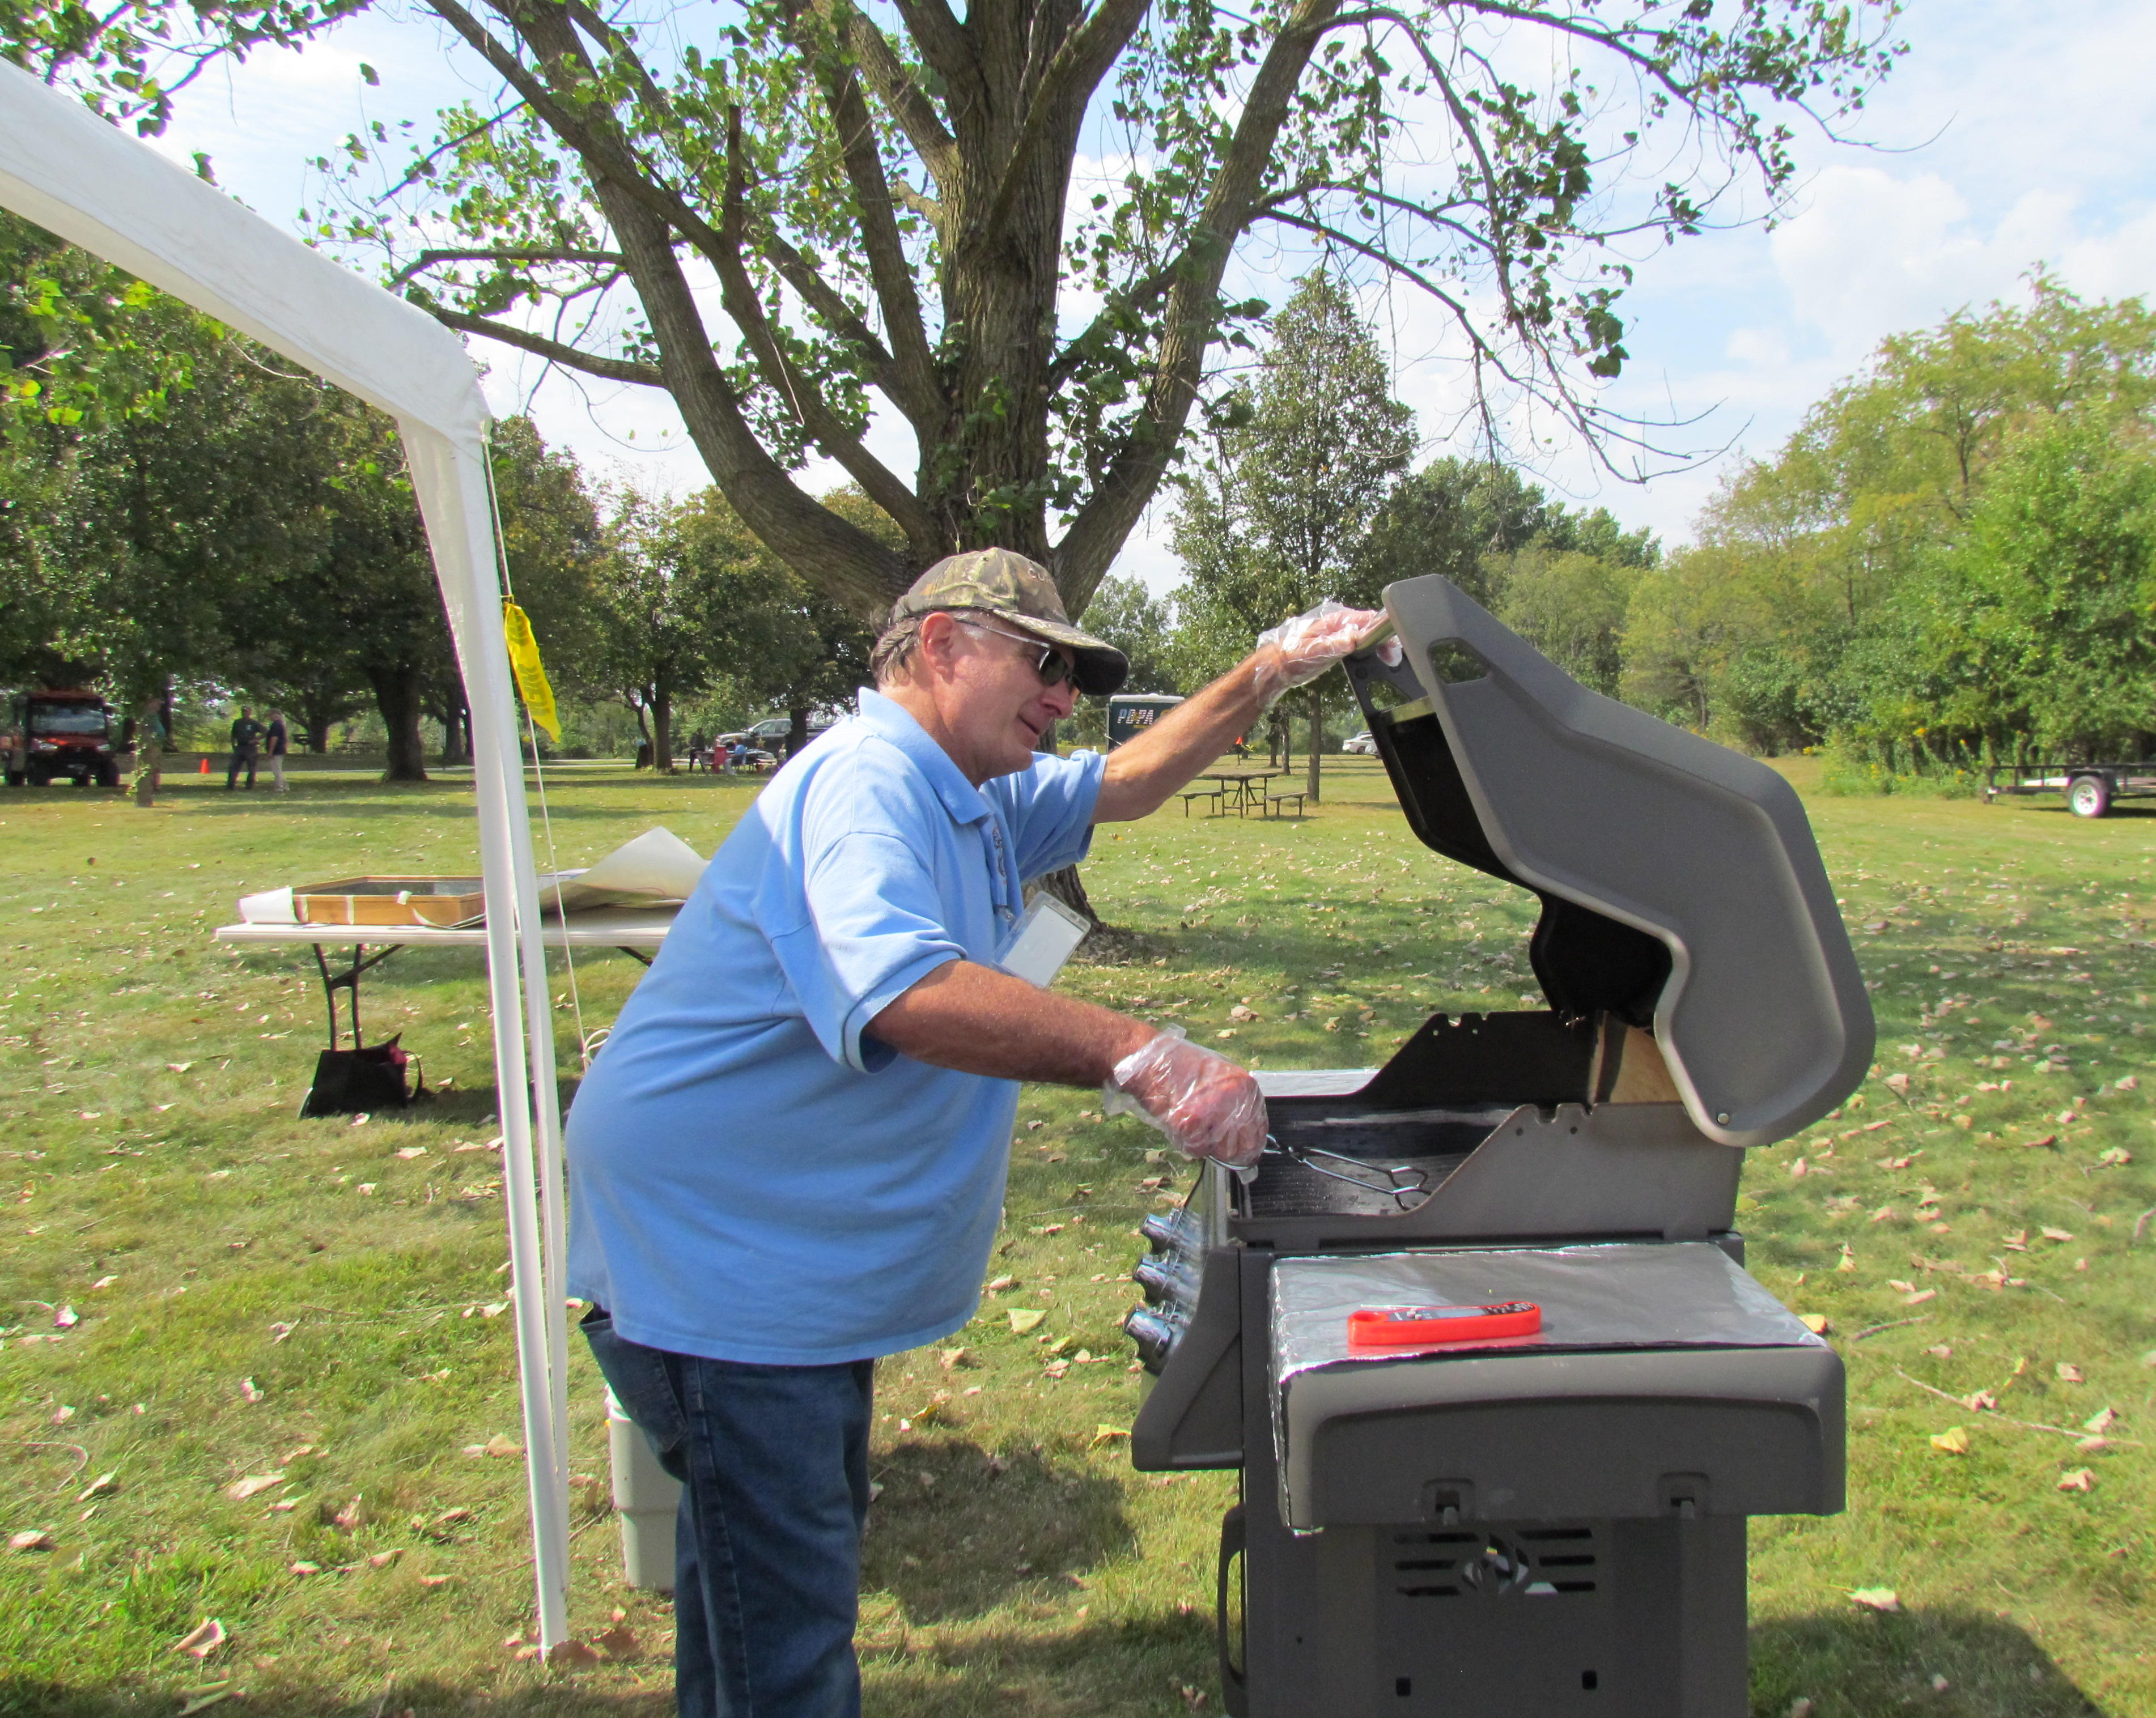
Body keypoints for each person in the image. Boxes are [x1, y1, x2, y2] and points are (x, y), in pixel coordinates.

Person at [567, 547, 1380, 1718]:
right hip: (719, 1257)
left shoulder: (979, 786)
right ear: (943, 646)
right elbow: (907, 992)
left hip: (775, 1253)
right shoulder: (868, 782)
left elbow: (1137, 776)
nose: (1062, 695)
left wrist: (1269, 669)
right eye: (1042, 663)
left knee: (753, 1600)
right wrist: (1136, 1052)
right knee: (787, 1645)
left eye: (1073, 675)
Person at [131, 697, 166, 809]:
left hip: (157, 744)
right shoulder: (147, 716)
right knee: (151, 766)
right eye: (157, 703)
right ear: (150, 704)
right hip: (151, 745)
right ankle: (149, 788)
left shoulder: (155, 716)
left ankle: (156, 786)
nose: (159, 706)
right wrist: (149, 741)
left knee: (157, 766)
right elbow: (145, 730)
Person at [226, 707, 262, 790]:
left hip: (251, 748)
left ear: (250, 713)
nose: (245, 713)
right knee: (234, 766)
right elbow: (233, 735)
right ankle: (231, 785)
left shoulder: (253, 723)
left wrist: (256, 740)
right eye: (244, 712)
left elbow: (266, 732)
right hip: (240, 747)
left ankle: (249, 786)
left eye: (247, 712)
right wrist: (233, 746)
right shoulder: (237, 722)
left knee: (251, 768)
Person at [263, 709, 290, 794]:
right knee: (278, 769)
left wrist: (270, 752)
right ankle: (285, 786)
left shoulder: (276, 725)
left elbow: (274, 739)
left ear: (276, 715)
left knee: (276, 770)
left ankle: (279, 787)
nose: (270, 717)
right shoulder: (280, 725)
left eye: (271, 715)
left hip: (276, 751)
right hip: (280, 750)